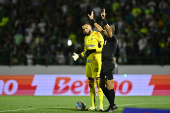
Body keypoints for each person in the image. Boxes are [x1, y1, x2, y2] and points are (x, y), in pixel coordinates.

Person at [88, 9, 118, 112]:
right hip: (103, 64)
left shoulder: (113, 39)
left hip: (109, 64)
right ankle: (112, 104)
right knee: (101, 85)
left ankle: (112, 105)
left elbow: (107, 30)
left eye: (106, 30)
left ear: (110, 31)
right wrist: (93, 20)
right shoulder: (104, 38)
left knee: (109, 85)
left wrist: (104, 19)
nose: (103, 31)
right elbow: (100, 28)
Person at [72, 23, 104, 111]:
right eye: (83, 29)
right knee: (91, 85)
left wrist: (94, 50)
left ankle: (101, 105)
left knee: (98, 84)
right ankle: (94, 106)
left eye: (86, 28)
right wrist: (79, 55)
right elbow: (86, 51)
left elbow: (103, 47)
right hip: (88, 63)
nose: (85, 30)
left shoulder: (97, 34)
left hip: (96, 61)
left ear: (90, 27)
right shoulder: (85, 38)